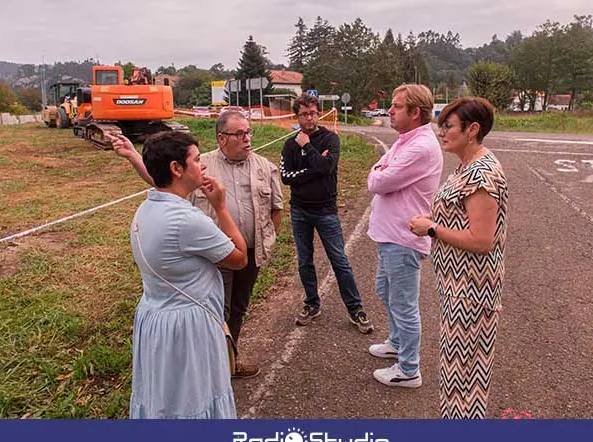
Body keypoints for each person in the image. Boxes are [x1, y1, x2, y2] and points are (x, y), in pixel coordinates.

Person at [111, 111, 284, 379]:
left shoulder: (265, 166)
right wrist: (134, 156)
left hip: (251, 252)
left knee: (238, 307)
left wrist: (268, 239)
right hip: (215, 255)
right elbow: (166, 183)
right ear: (222, 138)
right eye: (240, 134)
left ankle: (230, 360)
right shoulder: (202, 165)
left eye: (249, 132)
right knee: (218, 311)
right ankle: (212, 367)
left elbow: (276, 208)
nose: (247, 139)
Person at [128, 131, 248, 419]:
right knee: (195, 398)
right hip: (187, 326)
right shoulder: (187, 220)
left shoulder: (145, 211)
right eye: (196, 159)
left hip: (157, 316)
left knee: (165, 397)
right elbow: (239, 257)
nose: (203, 165)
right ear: (176, 168)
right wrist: (220, 206)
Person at [409, 97, 508, 418]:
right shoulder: (467, 166)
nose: (442, 133)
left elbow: (482, 240)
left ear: (473, 129)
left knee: (464, 376)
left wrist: (432, 229)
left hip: (472, 292)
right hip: (457, 288)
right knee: (457, 371)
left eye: (449, 126)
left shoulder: (482, 173)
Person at [366, 84, 443, 388]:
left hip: (403, 237)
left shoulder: (420, 147)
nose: (390, 111)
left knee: (404, 304)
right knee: (386, 292)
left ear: (415, 112)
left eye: (397, 106)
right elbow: (381, 170)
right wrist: (380, 169)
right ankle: (397, 342)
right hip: (390, 235)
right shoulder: (405, 140)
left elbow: (379, 181)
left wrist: (379, 171)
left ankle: (409, 369)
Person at [280, 93, 373, 334]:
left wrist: (308, 148)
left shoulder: (331, 139)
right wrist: (314, 167)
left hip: (326, 211)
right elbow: (285, 177)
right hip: (299, 210)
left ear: (318, 113)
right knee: (304, 261)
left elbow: (327, 166)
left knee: (340, 261)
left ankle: (356, 309)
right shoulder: (290, 144)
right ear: (297, 116)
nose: (308, 118)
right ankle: (312, 304)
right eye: (303, 114)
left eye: (312, 113)